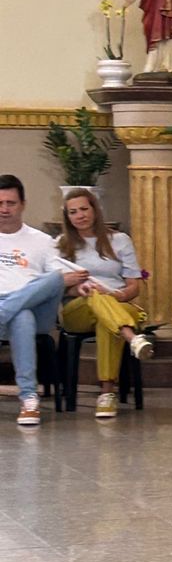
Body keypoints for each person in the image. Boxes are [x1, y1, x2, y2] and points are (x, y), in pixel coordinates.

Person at [56, 189, 154, 419]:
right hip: (77, 307)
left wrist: (114, 296)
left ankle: (106, 393)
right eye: (73, 212)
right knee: (94, 296)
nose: (80, 215)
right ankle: (132, 338)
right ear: (67, 217)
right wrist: (77, 287)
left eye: (84, 209)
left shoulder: (120, 240)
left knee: (106, 321)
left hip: (117, 302)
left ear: (95, 210)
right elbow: (56, 285)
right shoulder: (60, 244)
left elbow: (134, 286)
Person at [0, 174, 81, 428]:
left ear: (22, 204)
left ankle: (6, 310)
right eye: (0, 203)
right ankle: (29, 399)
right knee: (21, 316)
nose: (4, 209)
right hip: (18, 314)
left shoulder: (43, 241)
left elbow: (61, 279)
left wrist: (76, 280)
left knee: (55, 277)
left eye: (10, 203)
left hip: (40, 312)